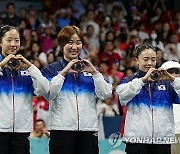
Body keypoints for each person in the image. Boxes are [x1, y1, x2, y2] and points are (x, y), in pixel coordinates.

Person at [40, 25, 112, 154]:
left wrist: (95, 73)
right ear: (62, 45)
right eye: (70, 43)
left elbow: (106, 94)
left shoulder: (89, 69)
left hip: (88, 130)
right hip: (61, 130)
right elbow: (48, 94)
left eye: (78, 43)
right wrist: (63, 73)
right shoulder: (50, 70)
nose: (74, 47)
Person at [116, 44, 180, 154]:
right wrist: (142, 80)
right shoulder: (129, 80)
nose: (150, 63)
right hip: (137, 141)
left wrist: (173, 79)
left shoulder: (166, 82)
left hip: (162, 141)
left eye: (153, 59)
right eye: (145, 59)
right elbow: (122, 96)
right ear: (136, 60)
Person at [0, 25, 48, 154]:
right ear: (0, 42)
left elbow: (45, 90)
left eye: (17, 40)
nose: (13, 44)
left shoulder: (25, 69)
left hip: (22, 131)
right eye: (9, 40)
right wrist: (2, 64)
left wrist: (31, 67)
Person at [161, 61, 180, 154]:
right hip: (167, 134)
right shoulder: (156, 90)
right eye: (171, 72)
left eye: (177, 72)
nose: (174, 74)